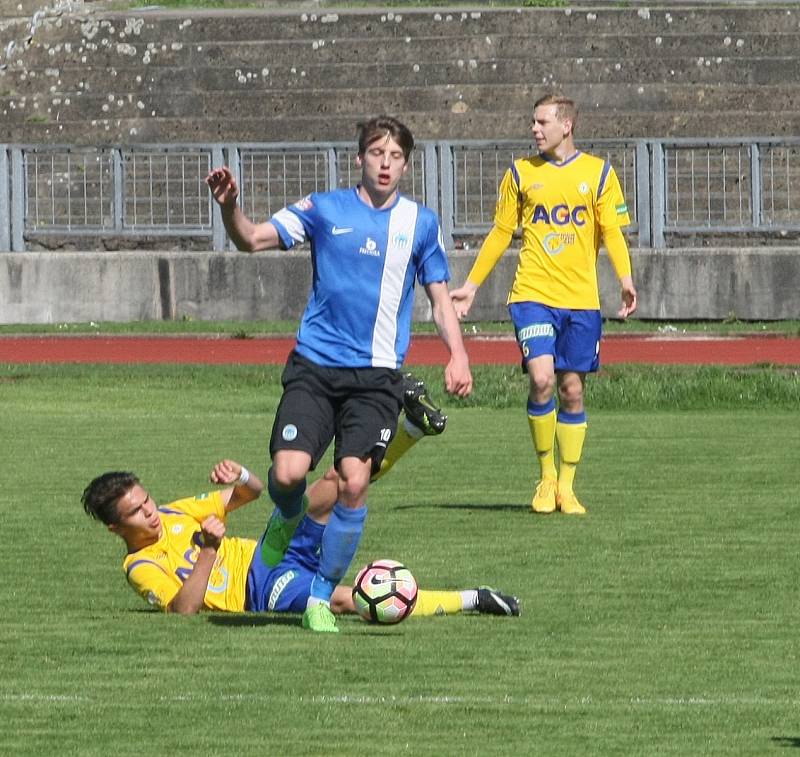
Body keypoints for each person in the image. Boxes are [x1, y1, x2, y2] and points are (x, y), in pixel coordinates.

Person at [206, 115, 472, 632]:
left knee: (353, 482)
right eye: (377, 154)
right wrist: (230, 208)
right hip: (315, 368)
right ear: (360, 159)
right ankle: (286, 516)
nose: (386, 164)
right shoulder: (324, 208)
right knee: (287, 475)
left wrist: (457, 354)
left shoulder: (421, 223)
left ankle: (321, 597)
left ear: (406, 165)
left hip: (375, 378)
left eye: (395, 157)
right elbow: (253, 240)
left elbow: (440, 300)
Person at [450, 93, 637, 516]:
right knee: (542, 379)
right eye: (533, 123)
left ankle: (567, 486)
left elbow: (612, 233)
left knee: (572, 389)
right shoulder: (519, 173)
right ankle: (546, 475)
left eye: (542, 122)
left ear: (566, 125)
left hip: (581, 302)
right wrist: (472, 285)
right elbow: (501, 233)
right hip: (532, 295)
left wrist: (625, 281)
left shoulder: (600, 173)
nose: (535, 129)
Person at [81, 455, 520, 620]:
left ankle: (411, 431)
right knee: (346, 599)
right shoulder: (139, 569)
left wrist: (243, 474)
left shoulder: (177, 511)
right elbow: (183, 612)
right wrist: (208, 552)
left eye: (147, 500)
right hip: (261, 588)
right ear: (115, 528)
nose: (151, 511)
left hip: (270, 551)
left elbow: (249, 493)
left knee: (334, 481)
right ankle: (473, 598)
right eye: (136, 512)